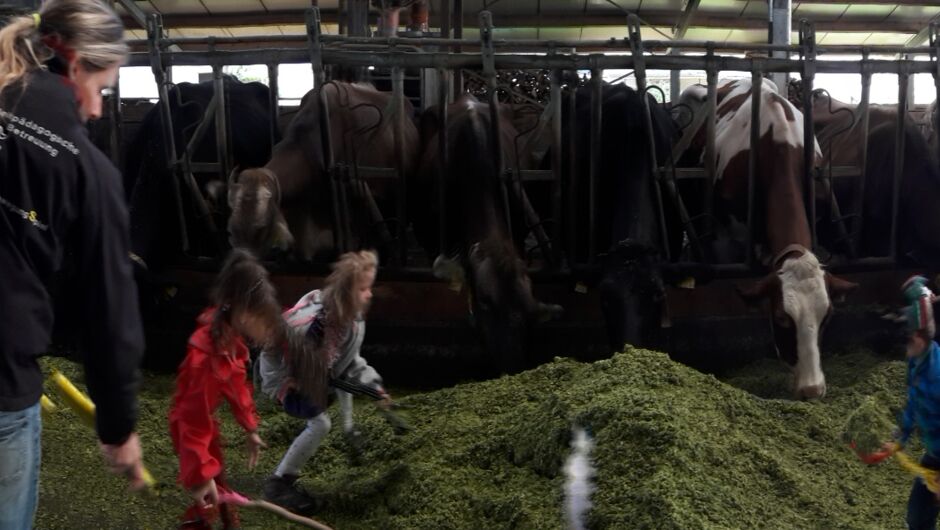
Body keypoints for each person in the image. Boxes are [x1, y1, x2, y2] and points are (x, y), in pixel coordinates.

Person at [0, 2, 146, 528]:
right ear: (78, 63)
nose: (99, 110)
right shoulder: (90, 172)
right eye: (103, 89)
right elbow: (109, 311)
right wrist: (119, 428)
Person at [259, 249, 391, 514]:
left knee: (328, 414)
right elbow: (269, 349)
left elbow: (352, 361)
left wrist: (375, 387)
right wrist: (280, 385)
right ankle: (279, 482)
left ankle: (345, 433)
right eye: (364, 289)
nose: (370, 294)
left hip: (321, 380)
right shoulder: (307, 322)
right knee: (320, 423)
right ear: (346, 291)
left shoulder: (353, 322)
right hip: (291, 381)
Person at [168, 249, 281, 530]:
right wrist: (199, 472)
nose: (266, 329)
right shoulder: (204, 359)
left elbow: (236, 386)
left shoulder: (230, 342)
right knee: (207, 486)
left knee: (216, 478)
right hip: (192, 429)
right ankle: (199, 520)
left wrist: (250, 428)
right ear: (241, 312)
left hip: (206, 427)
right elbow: (191, 420)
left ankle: (224, 517)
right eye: (261, 318)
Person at [888, 275, 940, 529]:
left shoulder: (937, 375)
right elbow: (913, 403)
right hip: (934, 455)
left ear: (920, 337)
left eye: (907, 338)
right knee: (917, 517)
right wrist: (901, 435)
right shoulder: (915, 364)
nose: (904, 344)